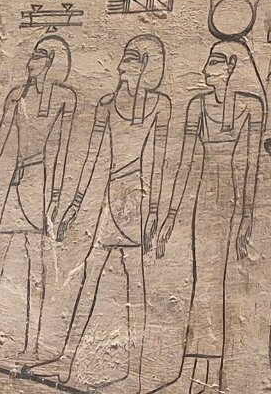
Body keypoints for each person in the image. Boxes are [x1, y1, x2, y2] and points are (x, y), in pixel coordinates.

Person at [50, 35, 171, 390]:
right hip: (112, 196)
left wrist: (153, 213)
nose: (120, 66)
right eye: (123, 59)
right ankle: (66, 360)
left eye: (130, 59)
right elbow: (91, 158)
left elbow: (159, 162)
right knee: (90, 275)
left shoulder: (160, 105)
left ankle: (135, 374)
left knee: (135, 283)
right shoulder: (106, 104)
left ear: (145, 64)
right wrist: (74, 206)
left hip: (136, 199)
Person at [0, 35, 80, 365]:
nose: (30, 63)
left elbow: (62, 151)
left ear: (51, 63)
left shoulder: (64, 98)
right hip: (17, 183)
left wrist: (56, 199)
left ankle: (34, 345)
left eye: (38, 57)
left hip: (39, 184)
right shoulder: (17, 96)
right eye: (31, 57)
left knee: (35, 268)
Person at [157, 40, 267, 394]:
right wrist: (171, 214)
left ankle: (211, 377)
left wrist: (247, 216)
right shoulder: (198, 105)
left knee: (215, 285)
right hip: (204, 199)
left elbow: (251, 164)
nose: (206, 69)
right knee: (202, 282)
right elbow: (186, 163)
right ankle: (193, 372)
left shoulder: (251, 106)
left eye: (214, 63)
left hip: (228, 199)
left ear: (231, 67)